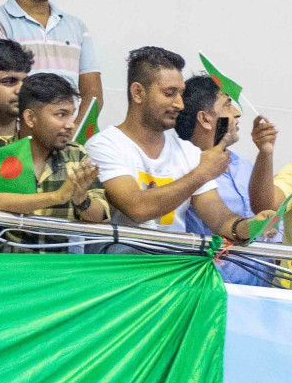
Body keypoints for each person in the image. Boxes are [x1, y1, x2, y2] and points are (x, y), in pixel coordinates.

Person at [85, 47, 272, 241]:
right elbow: (137, 208)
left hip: (176, 267)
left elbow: (221, 220)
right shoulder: (105, 145)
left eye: (180, 94)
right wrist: (200, 174)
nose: (180, 104)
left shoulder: (187, 152)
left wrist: (250, 226)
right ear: (138, 93)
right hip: (122, 266)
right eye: (169, 93)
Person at [176, 74, 281, 283]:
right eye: (228, 105)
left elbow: (266, 211)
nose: (238, 113)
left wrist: (265, 153)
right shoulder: (185, 168)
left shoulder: (243, 164)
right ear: (205, 119)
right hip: (213, 292)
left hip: (261, 293)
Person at [0, 72, 108, 223]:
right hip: (4, 245)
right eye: (61, 115)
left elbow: (101, 215)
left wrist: (82, 200)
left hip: (59, 246)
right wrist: (57, 196)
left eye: (71, 115)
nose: (70, 125)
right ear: (30, 118)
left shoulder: (75, 154)